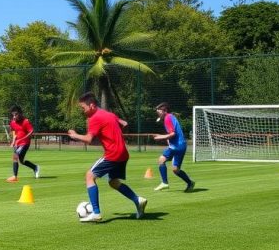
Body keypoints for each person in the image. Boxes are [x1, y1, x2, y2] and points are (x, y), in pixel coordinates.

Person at [67, 92, 147, 222]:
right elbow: (125, 123)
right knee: (113, 182)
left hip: (113, 154)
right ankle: (137, 200)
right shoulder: (109, 114)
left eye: (83, 108)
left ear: (91, 105)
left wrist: (75, 135)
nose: (83, 111)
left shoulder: (95, 118)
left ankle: (96, 213)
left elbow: (88, 139)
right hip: (123, 153)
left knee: (89, 176)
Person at [152, 102, 195, 192]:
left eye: (159, 111)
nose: (157, 113)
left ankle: (165, 183)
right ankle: (190, 183)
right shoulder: (170, 116)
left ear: (164, 111)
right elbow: (172, 134)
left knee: (161, 160)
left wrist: (160, 137)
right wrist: (166, 139)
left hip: (177, 146)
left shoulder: (167, 118)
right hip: (180, 146)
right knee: (175, 170)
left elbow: (173, 134)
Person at [5, 105, 39, 182]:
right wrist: (13, 141)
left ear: (20, 113)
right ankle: (35, 167)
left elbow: (31, 131)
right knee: (21, 161)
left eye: (16, 114)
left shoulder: (25, 121)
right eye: (13, 115)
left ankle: (15, 177)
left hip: (25, 143)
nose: (14, 116)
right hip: (18, 143)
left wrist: (22, 139)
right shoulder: (13, 122)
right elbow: (15, 132)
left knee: (15, 156)